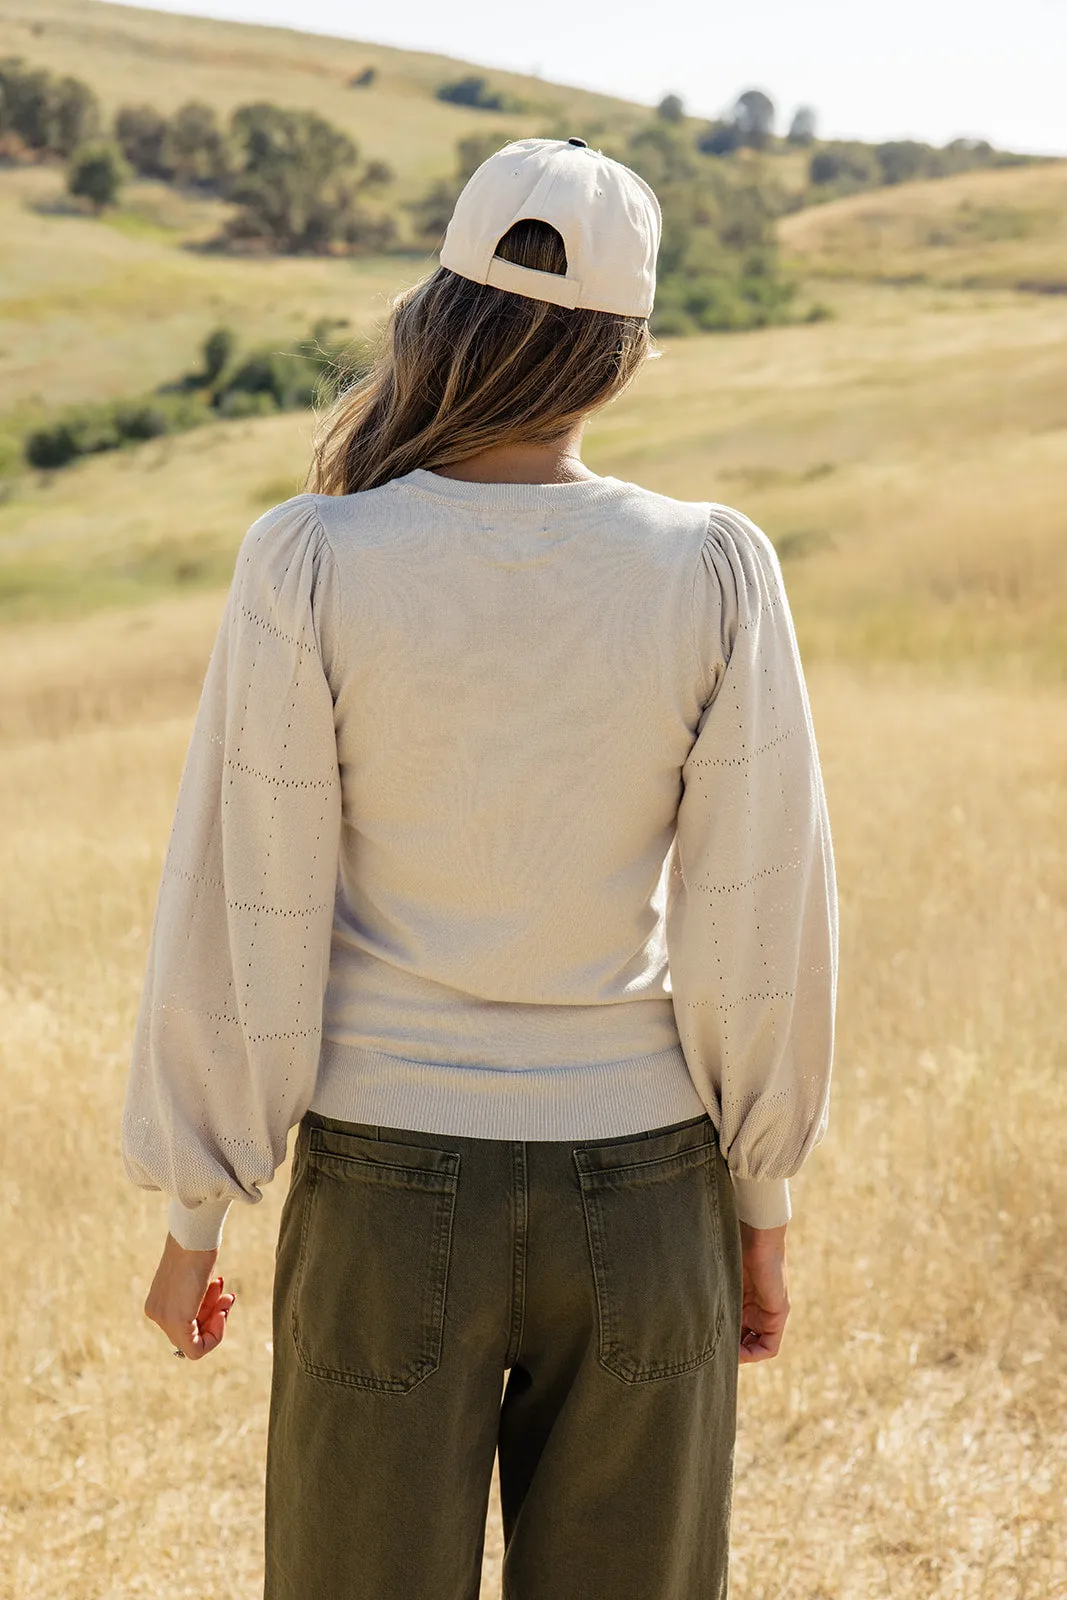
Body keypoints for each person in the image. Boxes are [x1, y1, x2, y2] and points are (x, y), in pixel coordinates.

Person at [121, 135, 838, 1600]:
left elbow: (244, 901)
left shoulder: (310, 558)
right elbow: (758, 918)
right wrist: (757, 1212)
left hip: (384, 1200)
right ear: (621, 353)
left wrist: (196, 1218)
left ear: (434, 318)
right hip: (643, 1194)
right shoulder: (710, 566)